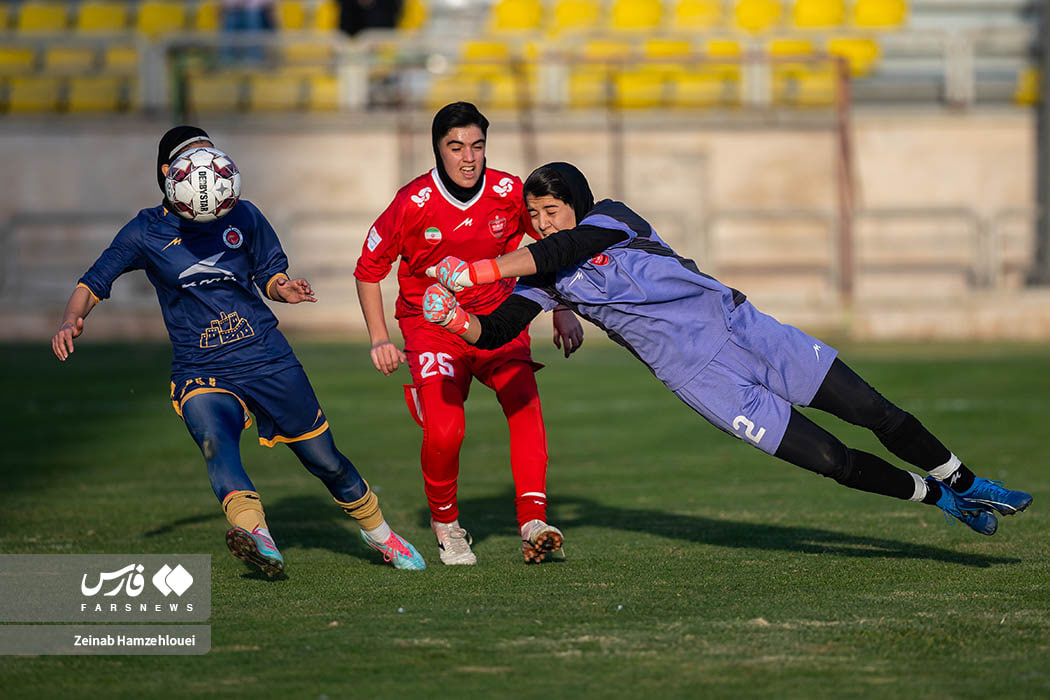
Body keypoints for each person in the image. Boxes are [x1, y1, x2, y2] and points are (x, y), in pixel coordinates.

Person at [421, 161, 1033, 536]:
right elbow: (497, 330)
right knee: (831, 460)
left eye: (550, 210)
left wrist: (477, 270)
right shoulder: (545, 280)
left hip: (747, 332)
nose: (541, 223)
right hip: (705, 381)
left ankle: (967, 480)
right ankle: (939, 497)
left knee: (874, 410)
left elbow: (561, 249)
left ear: (576, 204)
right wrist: (457, 320)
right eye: (533, 215)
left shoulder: (611, 219)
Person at [51, 125, 426, 577]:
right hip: (200, 366)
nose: (208, 164)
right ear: (169, 171)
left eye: (211, 153)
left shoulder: (244, 215)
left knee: (325, 460)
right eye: (195, 155)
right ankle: (257, 536)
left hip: (266, 357)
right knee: (216, 443)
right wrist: (73, 317)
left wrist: (285, 289)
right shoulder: (145, 231)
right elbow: (94, 280)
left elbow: (270, 275)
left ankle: (381, 534)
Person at [354, 104, 584, 565]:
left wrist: (562, 308)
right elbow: (368, 269)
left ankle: (534, 522)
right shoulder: (412, 202)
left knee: (526, 407)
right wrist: (380, 337)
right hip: (432, 327)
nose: (468, 158)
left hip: (498, 321)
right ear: (438, 149)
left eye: (477, 146)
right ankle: (446, 524)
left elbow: (549, 245)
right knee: (446, 430)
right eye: (456, 147)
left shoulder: (509, 192)